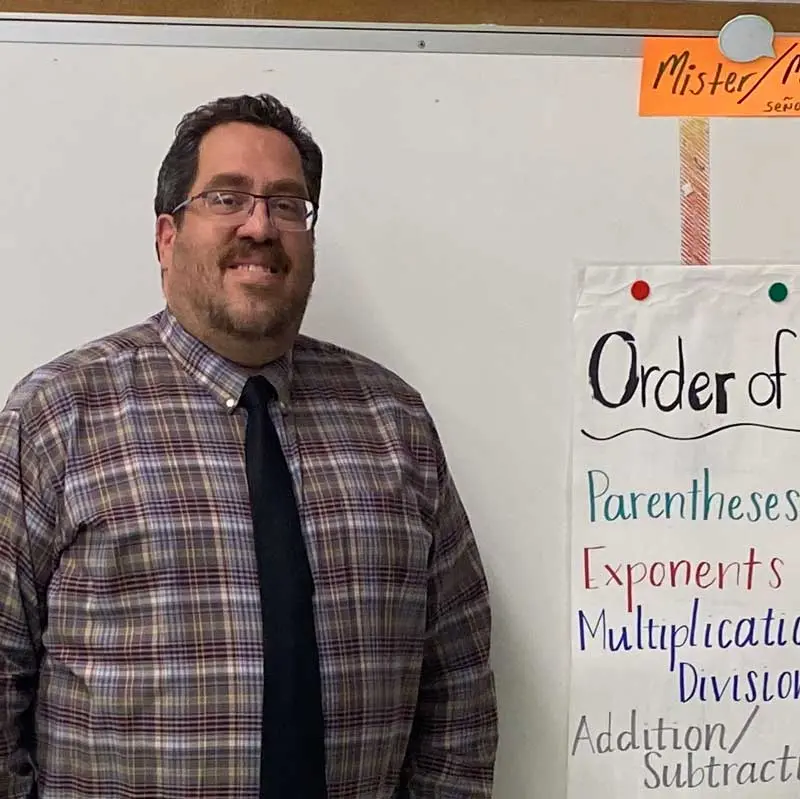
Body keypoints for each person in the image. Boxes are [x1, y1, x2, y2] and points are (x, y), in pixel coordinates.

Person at [0, 93, 498, 798]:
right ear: (167, 237)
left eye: (287, 205)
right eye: (227, 197)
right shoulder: (59, 415)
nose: (261, 225)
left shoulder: (394, 423)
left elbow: (460, 687)